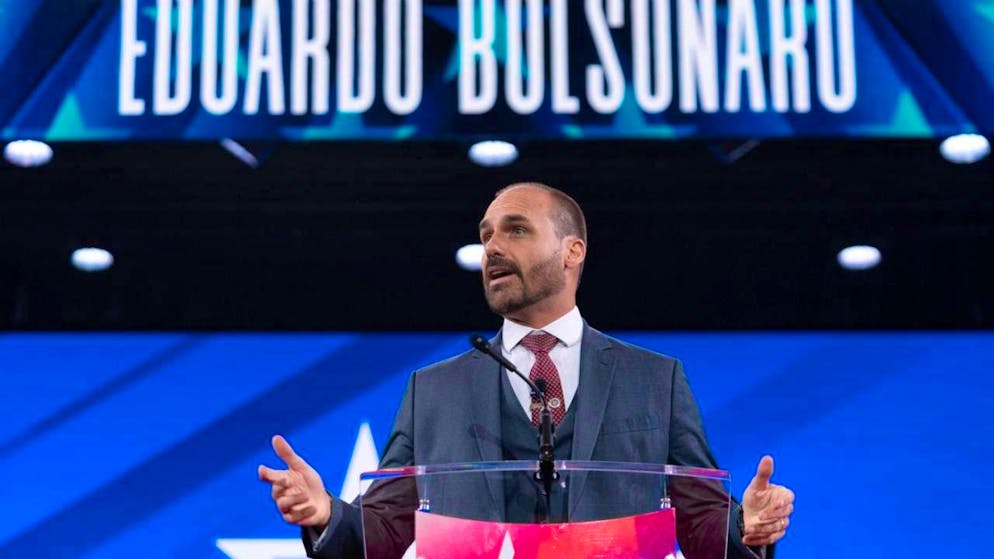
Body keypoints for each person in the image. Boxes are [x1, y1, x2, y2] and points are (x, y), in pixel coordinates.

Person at [259, 182, 795, 558]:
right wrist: (326, 514)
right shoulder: (434, 391)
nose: (491, 246)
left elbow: (701, 523)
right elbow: (381, 534)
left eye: (515, 230)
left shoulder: (655, 380)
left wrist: (748, 526)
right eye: (486, 234)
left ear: (572, 251)